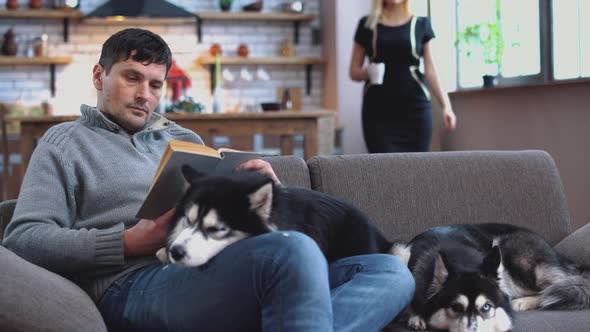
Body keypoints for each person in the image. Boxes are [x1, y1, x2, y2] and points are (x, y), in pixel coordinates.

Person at [3, 28, 415, 331]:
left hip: (220, 267)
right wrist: (127, 241)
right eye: (131, 78)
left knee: (390, 272)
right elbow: (23, 239)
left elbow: (235, 222)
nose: (144, 94)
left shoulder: (186, 141)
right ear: (99, 76)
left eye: (155, 84)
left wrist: (267, 193)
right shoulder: (64, 142)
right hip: (133, 285)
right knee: (295, 251)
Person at [350, 0, 457, 153]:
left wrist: (446, 106)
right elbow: (353, 71)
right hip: (377, 113)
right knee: (382, 168)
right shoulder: (366, 25)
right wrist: (369, 72)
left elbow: (431, 70)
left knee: (416, 169)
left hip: (416, 111)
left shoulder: (421, 24)